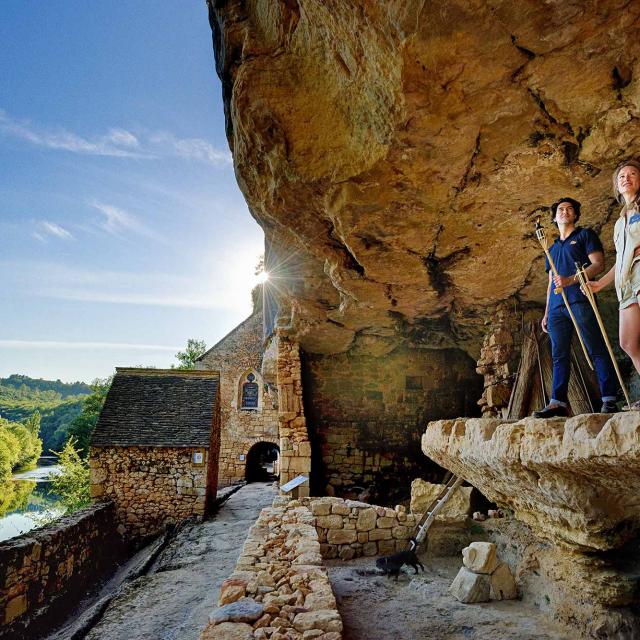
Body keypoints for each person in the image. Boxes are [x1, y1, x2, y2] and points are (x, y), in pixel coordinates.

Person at [533, 197, 619, 417]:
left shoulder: (584, 236)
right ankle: (557, 402)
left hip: (580, 300)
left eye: (570, 209)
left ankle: (609, 399)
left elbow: (598, 263)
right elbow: (552, 281)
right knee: (559, 354)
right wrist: (546, 312)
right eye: (560, 209)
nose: (565, 212)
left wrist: (571, 280)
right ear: (554, 217)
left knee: (596, 348)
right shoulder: (550, 249)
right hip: (556, 308)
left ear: (576, 215)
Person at [585, 159, 640, 409]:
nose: (626, 178)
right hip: (626, 281)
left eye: (632, 174)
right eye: (621, 176)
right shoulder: (619, 223)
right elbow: (620, 259)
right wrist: (599, 285)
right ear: (617, 187)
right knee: (627, 342)